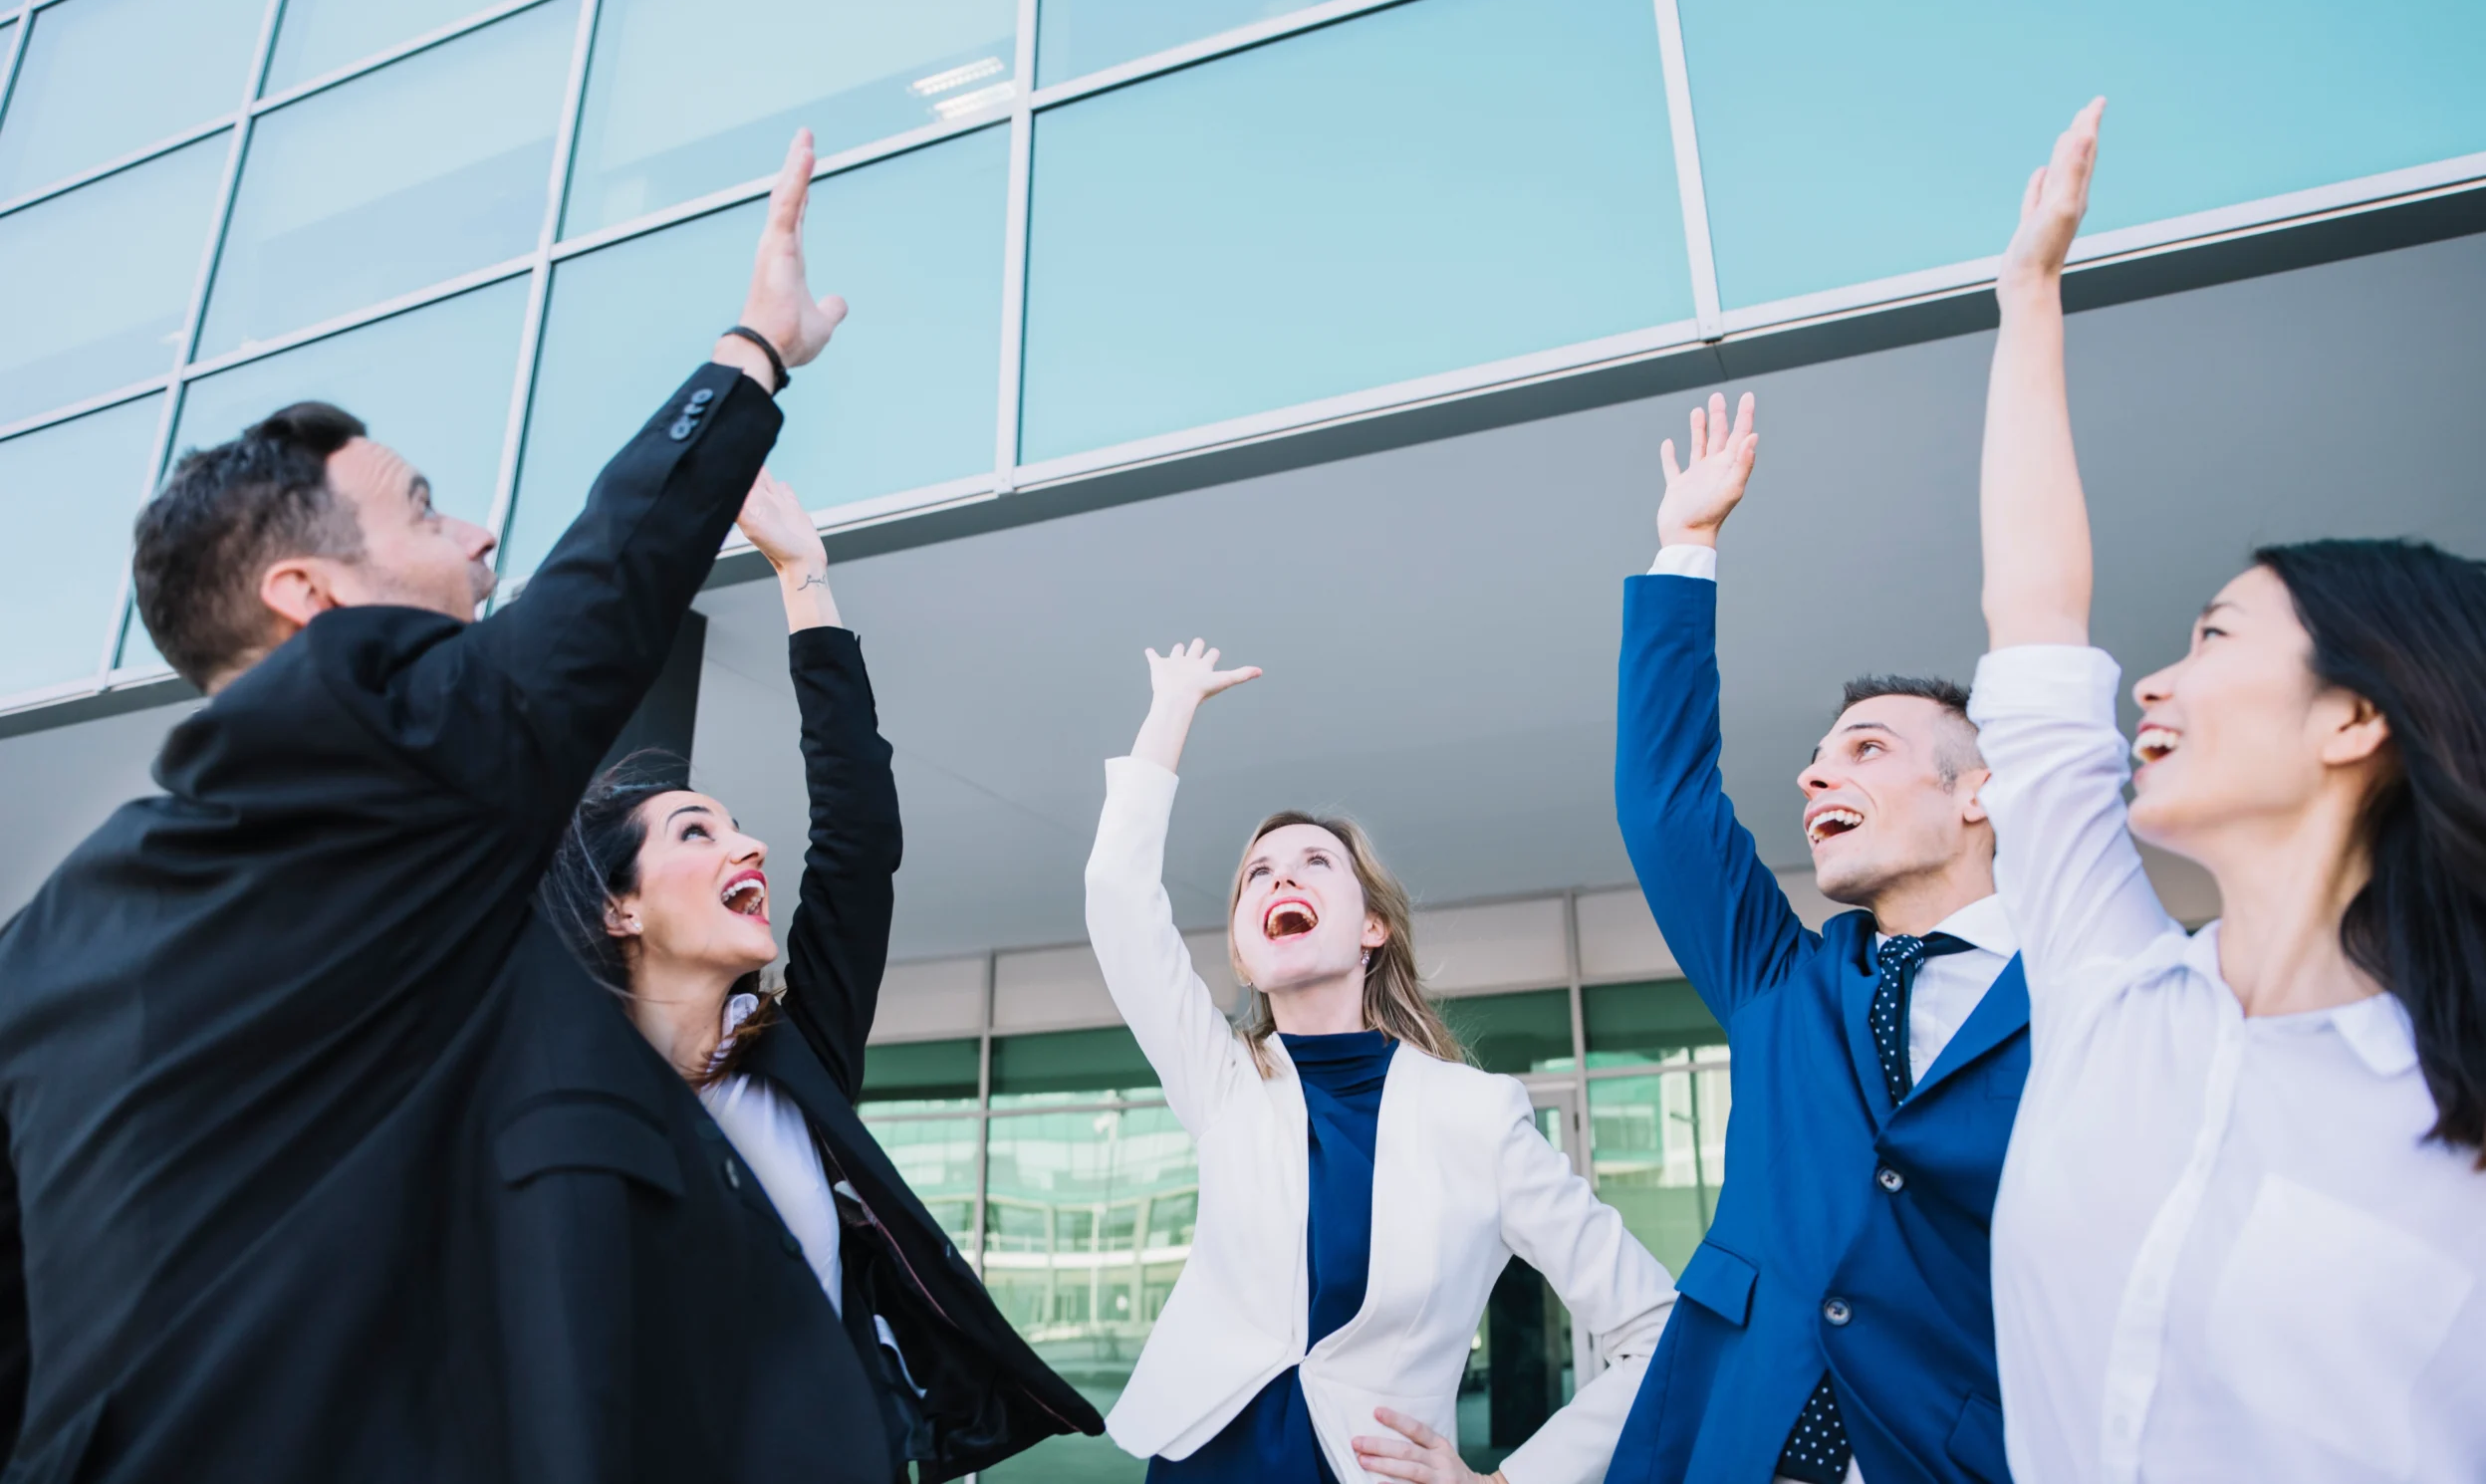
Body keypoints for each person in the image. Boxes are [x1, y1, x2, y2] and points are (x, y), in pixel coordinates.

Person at [0, 132, 924, 1482]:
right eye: (424, 509)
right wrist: (752, 353)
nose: (479, 535)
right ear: (309, 598)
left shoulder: (44, 950)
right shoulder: (392, 753)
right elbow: (592, 608)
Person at [1972, 99, 2486, 1482]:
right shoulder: (2108, 991)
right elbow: (2038, 621)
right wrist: (2026, 299)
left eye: (2213, 637)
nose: (2150, 688)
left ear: (2356, 714)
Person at [535, 467, 1101, 1477]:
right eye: (696, 831)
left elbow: (856, 843)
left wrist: (804, 578)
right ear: (618, 905)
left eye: (738, 826)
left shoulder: (796, 1065)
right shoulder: (556, 1088)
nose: (746, 846)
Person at [1082, 640, 1676, 1484]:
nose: (1280, 878)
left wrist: (1510, 1482)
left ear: (1373, 928)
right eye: (1257, 874)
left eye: (1315, 862)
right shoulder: (1222, 1081)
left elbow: (1657, 1329)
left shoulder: (1478, 1115)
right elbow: (1117, 896)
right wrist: (1171, 706)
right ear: (1245, 955)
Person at [1604, 397, 2028, 1484]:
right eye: (1815, 757)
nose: (1814, 776)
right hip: (1734, 1445)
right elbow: (1666, 801)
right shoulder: (1777, 981)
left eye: (1866, 748)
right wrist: (1685, 546)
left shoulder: (2086, 994)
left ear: (1976, 795)